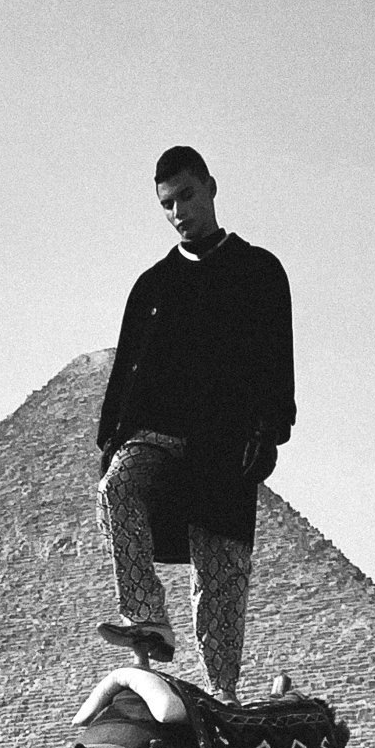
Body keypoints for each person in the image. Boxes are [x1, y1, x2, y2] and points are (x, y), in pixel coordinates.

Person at [95, 145, 295, 700]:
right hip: (154, 434)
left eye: (186, 196)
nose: (178, 212)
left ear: (210, 187)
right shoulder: (152, 286)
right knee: (117, 488)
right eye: (167, 204)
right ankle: (146, 615)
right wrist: (110, 441)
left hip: (224, 442)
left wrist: (270, 430)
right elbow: (126, 368)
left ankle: (223, 693)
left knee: (219, 573)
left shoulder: (258, 272)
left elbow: (277, 358)